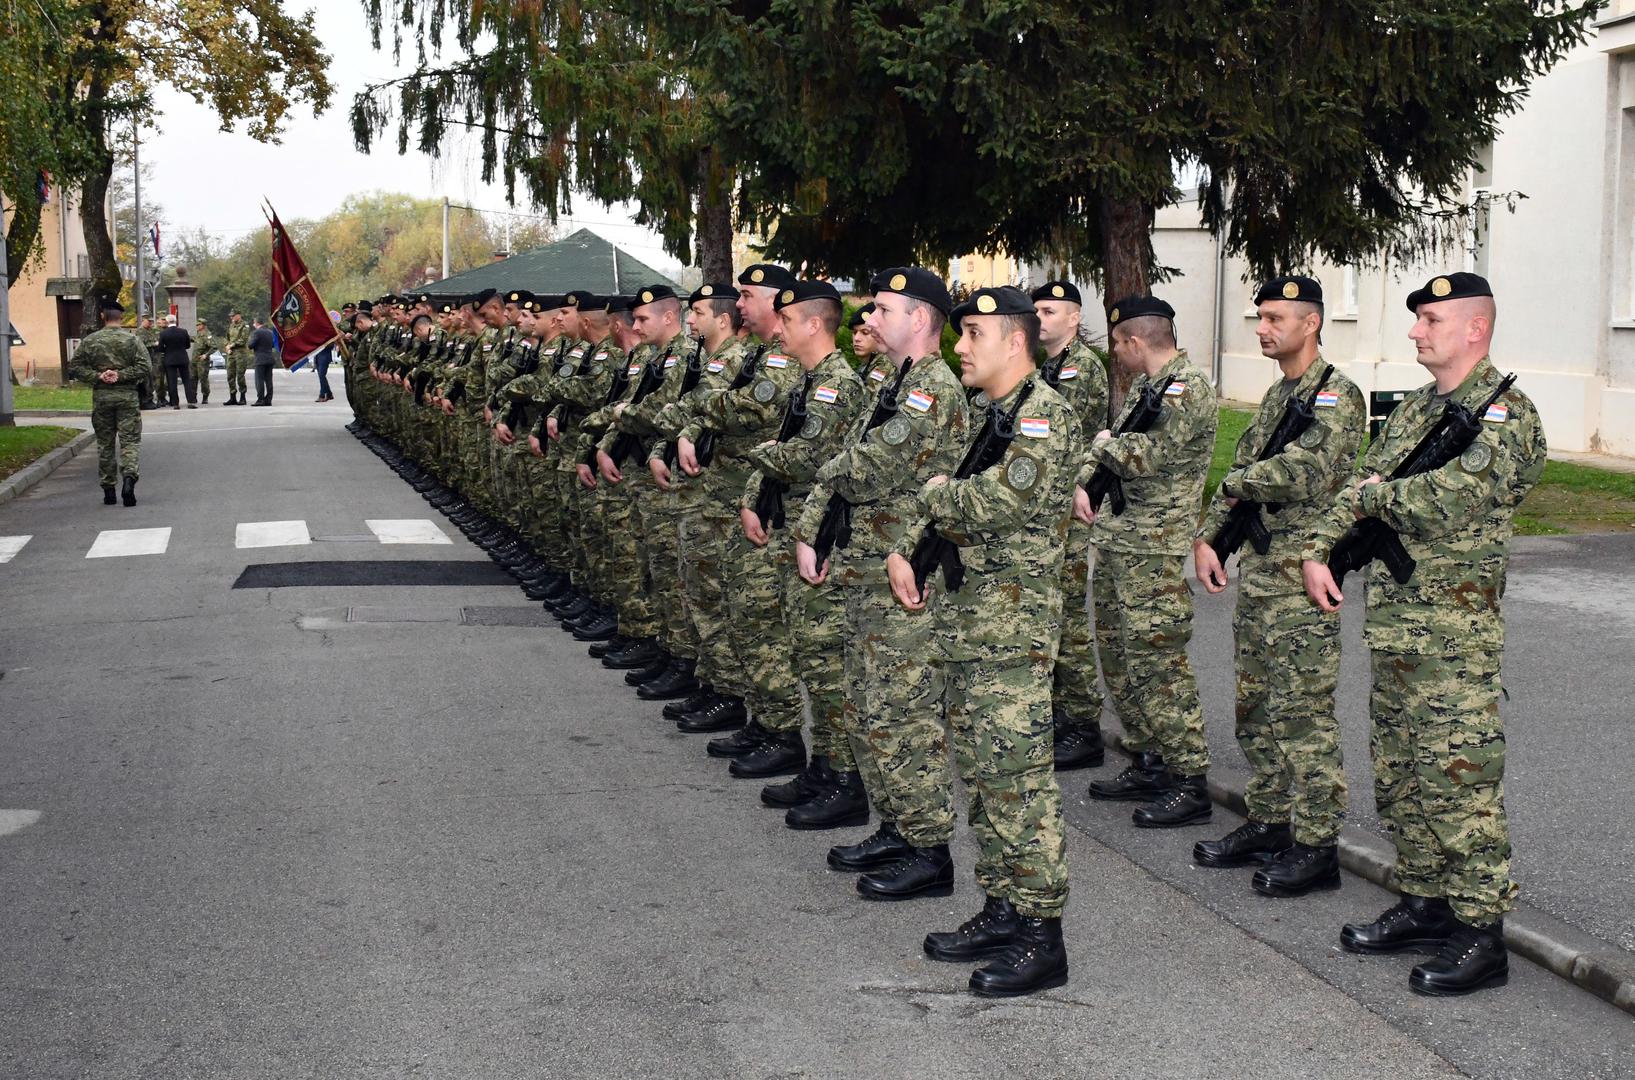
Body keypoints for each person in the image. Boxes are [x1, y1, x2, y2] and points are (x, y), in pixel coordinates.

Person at [1302, 272, 1545, 996]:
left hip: (1453, 640)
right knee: (1403, 777)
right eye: (1416, 321)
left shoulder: (1507, 415)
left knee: (1458, 785)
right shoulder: (1414, 409)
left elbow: (1452, 495)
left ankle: (1479, 934)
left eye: (1430, 320)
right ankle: (1424, 901)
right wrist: (1320, 549)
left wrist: (1371, 498)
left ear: (1474, 329)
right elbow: (1359, 487)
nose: (1415, 331)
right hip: (1398, 634)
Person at [887, 285, 1079, 997]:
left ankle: (1041, 936)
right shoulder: (988, 417)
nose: (960, 345)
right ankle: (1003, 907)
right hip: (971, 628)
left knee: (1019, 784)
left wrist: (932, 496)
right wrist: (906, 546)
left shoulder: (1043, 419)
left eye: (972, 333)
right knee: (985, 776)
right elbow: (957, 490)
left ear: (1013, 341)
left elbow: (995, 501)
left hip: (1013, 634)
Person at [794, 267, 971, 898]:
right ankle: (897, 825)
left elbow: (869, 464)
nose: (867, 318)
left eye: (882, 308)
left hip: (903, 576)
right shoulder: (892, 384)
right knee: (870, 708)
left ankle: (928, 850)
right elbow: (847, 461)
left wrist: (822, 475)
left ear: (918, 319)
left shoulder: (931, 389)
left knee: (904, 713)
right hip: (867, 570)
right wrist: (814, 525)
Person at [1192, 276, 1366, 897]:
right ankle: (1269, 821)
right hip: (1263, 573)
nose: (1262, 329)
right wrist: (1210, 538)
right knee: (1256, 706)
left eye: (1274, 318)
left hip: (1303, 578)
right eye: (1259, 318)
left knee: (1303, 712)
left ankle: (1317, 845)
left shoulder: (1336, 396)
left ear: (1311, 323)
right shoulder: (1278, 397)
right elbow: (1247, 476)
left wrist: (1240, 479)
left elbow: (1303, 470)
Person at [1078, 295, 1219, 828]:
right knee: (1119, 657)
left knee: (1158, 665)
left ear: (1136, 341)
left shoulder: (1186, 389)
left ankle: (1190, 781)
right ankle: (1149, 758)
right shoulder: (1147, 387)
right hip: (1119, 540)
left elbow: (1144, 456)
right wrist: (1109, 445)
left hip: (1154, 549)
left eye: (1118, 343)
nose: (1115, 352)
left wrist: (1102, 443)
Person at [1030, 280, 1112, 772]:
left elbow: (1069, 448)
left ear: (1075, 318)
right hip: (1049, 510)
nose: (1040, 318)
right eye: (1036, 309)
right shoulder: (1049, 368)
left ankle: (1082, 724)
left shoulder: (1081, 370)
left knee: (1070, 622)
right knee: (1053, 617)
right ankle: (1063, 713)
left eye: (1051, 310)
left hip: (1070, 512)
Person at [68, 298, 150, 506]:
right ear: (121, 317)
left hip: (102, 398)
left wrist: (99, 376)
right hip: (127, 397)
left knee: (105, 444)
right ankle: (129, 479)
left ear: (102, 316)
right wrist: (121, 375)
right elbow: (144, 367)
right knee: (129, 442)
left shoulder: (90, 341)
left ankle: (109, 490)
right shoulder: (132, 340)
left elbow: (75, 367)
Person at [157, 315, 196, 409]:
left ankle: (175, 403)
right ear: (176, 321)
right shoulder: (183, 332)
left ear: (167, 322)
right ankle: (190, 401)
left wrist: (167, 349)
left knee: (172, 382)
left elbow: (160, 348)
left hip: (170, 359)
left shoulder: (163, 333)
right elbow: (188, 345)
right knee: (186, 380)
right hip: (182, 358)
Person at [249, 316, 279, 405]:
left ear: (257, 323)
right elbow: (273, 344)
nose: (253, 325)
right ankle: (268, 400)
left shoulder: (257, 332)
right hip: (270, 358)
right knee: (269, 380)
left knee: (259, 380)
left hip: (260, 359)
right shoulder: (270, 332)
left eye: (254, 323)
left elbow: (251, 345)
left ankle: (260, 399)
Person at [224, 311, 250, 405]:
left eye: (233, 316)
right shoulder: (231, 326)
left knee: (240, 376)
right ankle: (232, 397)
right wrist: (227, 346)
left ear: (238, 315)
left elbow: (243, 340)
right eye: (230, 316)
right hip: (231, 354)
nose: (231, 318)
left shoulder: (245, 325)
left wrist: (231, 345)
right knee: (230, 375)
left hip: (240, 354)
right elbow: (226, 338)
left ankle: (243, 397)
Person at [190, 318, 215, 405]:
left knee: (203, 379)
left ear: (203, 325)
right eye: (196, 325)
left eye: (198, 325)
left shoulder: (207, 335)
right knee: (192, 379)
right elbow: (194, 339)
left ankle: (205, 397)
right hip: (194, 360)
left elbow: (214, 347)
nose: (197, 326)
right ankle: (193, 397)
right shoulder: (199, 334)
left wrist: (206, 355)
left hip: (202, 362)